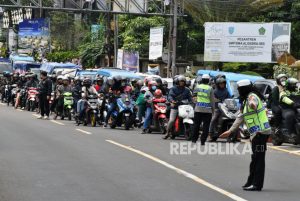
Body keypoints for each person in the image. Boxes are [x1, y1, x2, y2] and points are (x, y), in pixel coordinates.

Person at [220, 79, 271, 191]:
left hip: (260, 133)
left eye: (239, 89)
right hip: (256, 133)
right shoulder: (245, 100)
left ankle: (257, 184)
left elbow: (254, 103)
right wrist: (231, 131)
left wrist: (252, 104)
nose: (239, 91)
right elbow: (241, 117)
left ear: (244, 89)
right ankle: (251, 182)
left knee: (258, 159)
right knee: (255, 158)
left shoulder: (252, 97)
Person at [163, 75, 193, 139]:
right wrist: (172, 101)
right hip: (175, 106)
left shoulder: (187, 90)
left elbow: (190, 98)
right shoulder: (173, 89)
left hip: (184, 107)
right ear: (177, 82)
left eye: (183, 81)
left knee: (190, 116)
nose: (182, 83)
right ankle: (167, 132)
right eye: (180, 81)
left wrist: (192, 102)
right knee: (171, 120)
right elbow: (170, 96)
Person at [191, 74, 215, 145]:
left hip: (198, 109)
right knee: (206, 126)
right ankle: (202, 141)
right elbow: (212, 100)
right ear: (208, 80)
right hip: (207, 110)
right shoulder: (210, 88)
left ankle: (194, 139)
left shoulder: (197, 87)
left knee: (196, 125)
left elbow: (194, 96)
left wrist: (195, 104)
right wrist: (213, 110)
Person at [208, 76, 231, 141]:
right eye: (221, 84)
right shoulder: (215, 91)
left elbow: (229, 98)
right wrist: (217, 100)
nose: (222, 85)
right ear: (218, 84)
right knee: (213, 119)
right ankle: (210, 134)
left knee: (227, 119)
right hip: (217, 108)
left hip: (225, 109)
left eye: (223, 83)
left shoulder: (226, 91)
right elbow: (212, 99)